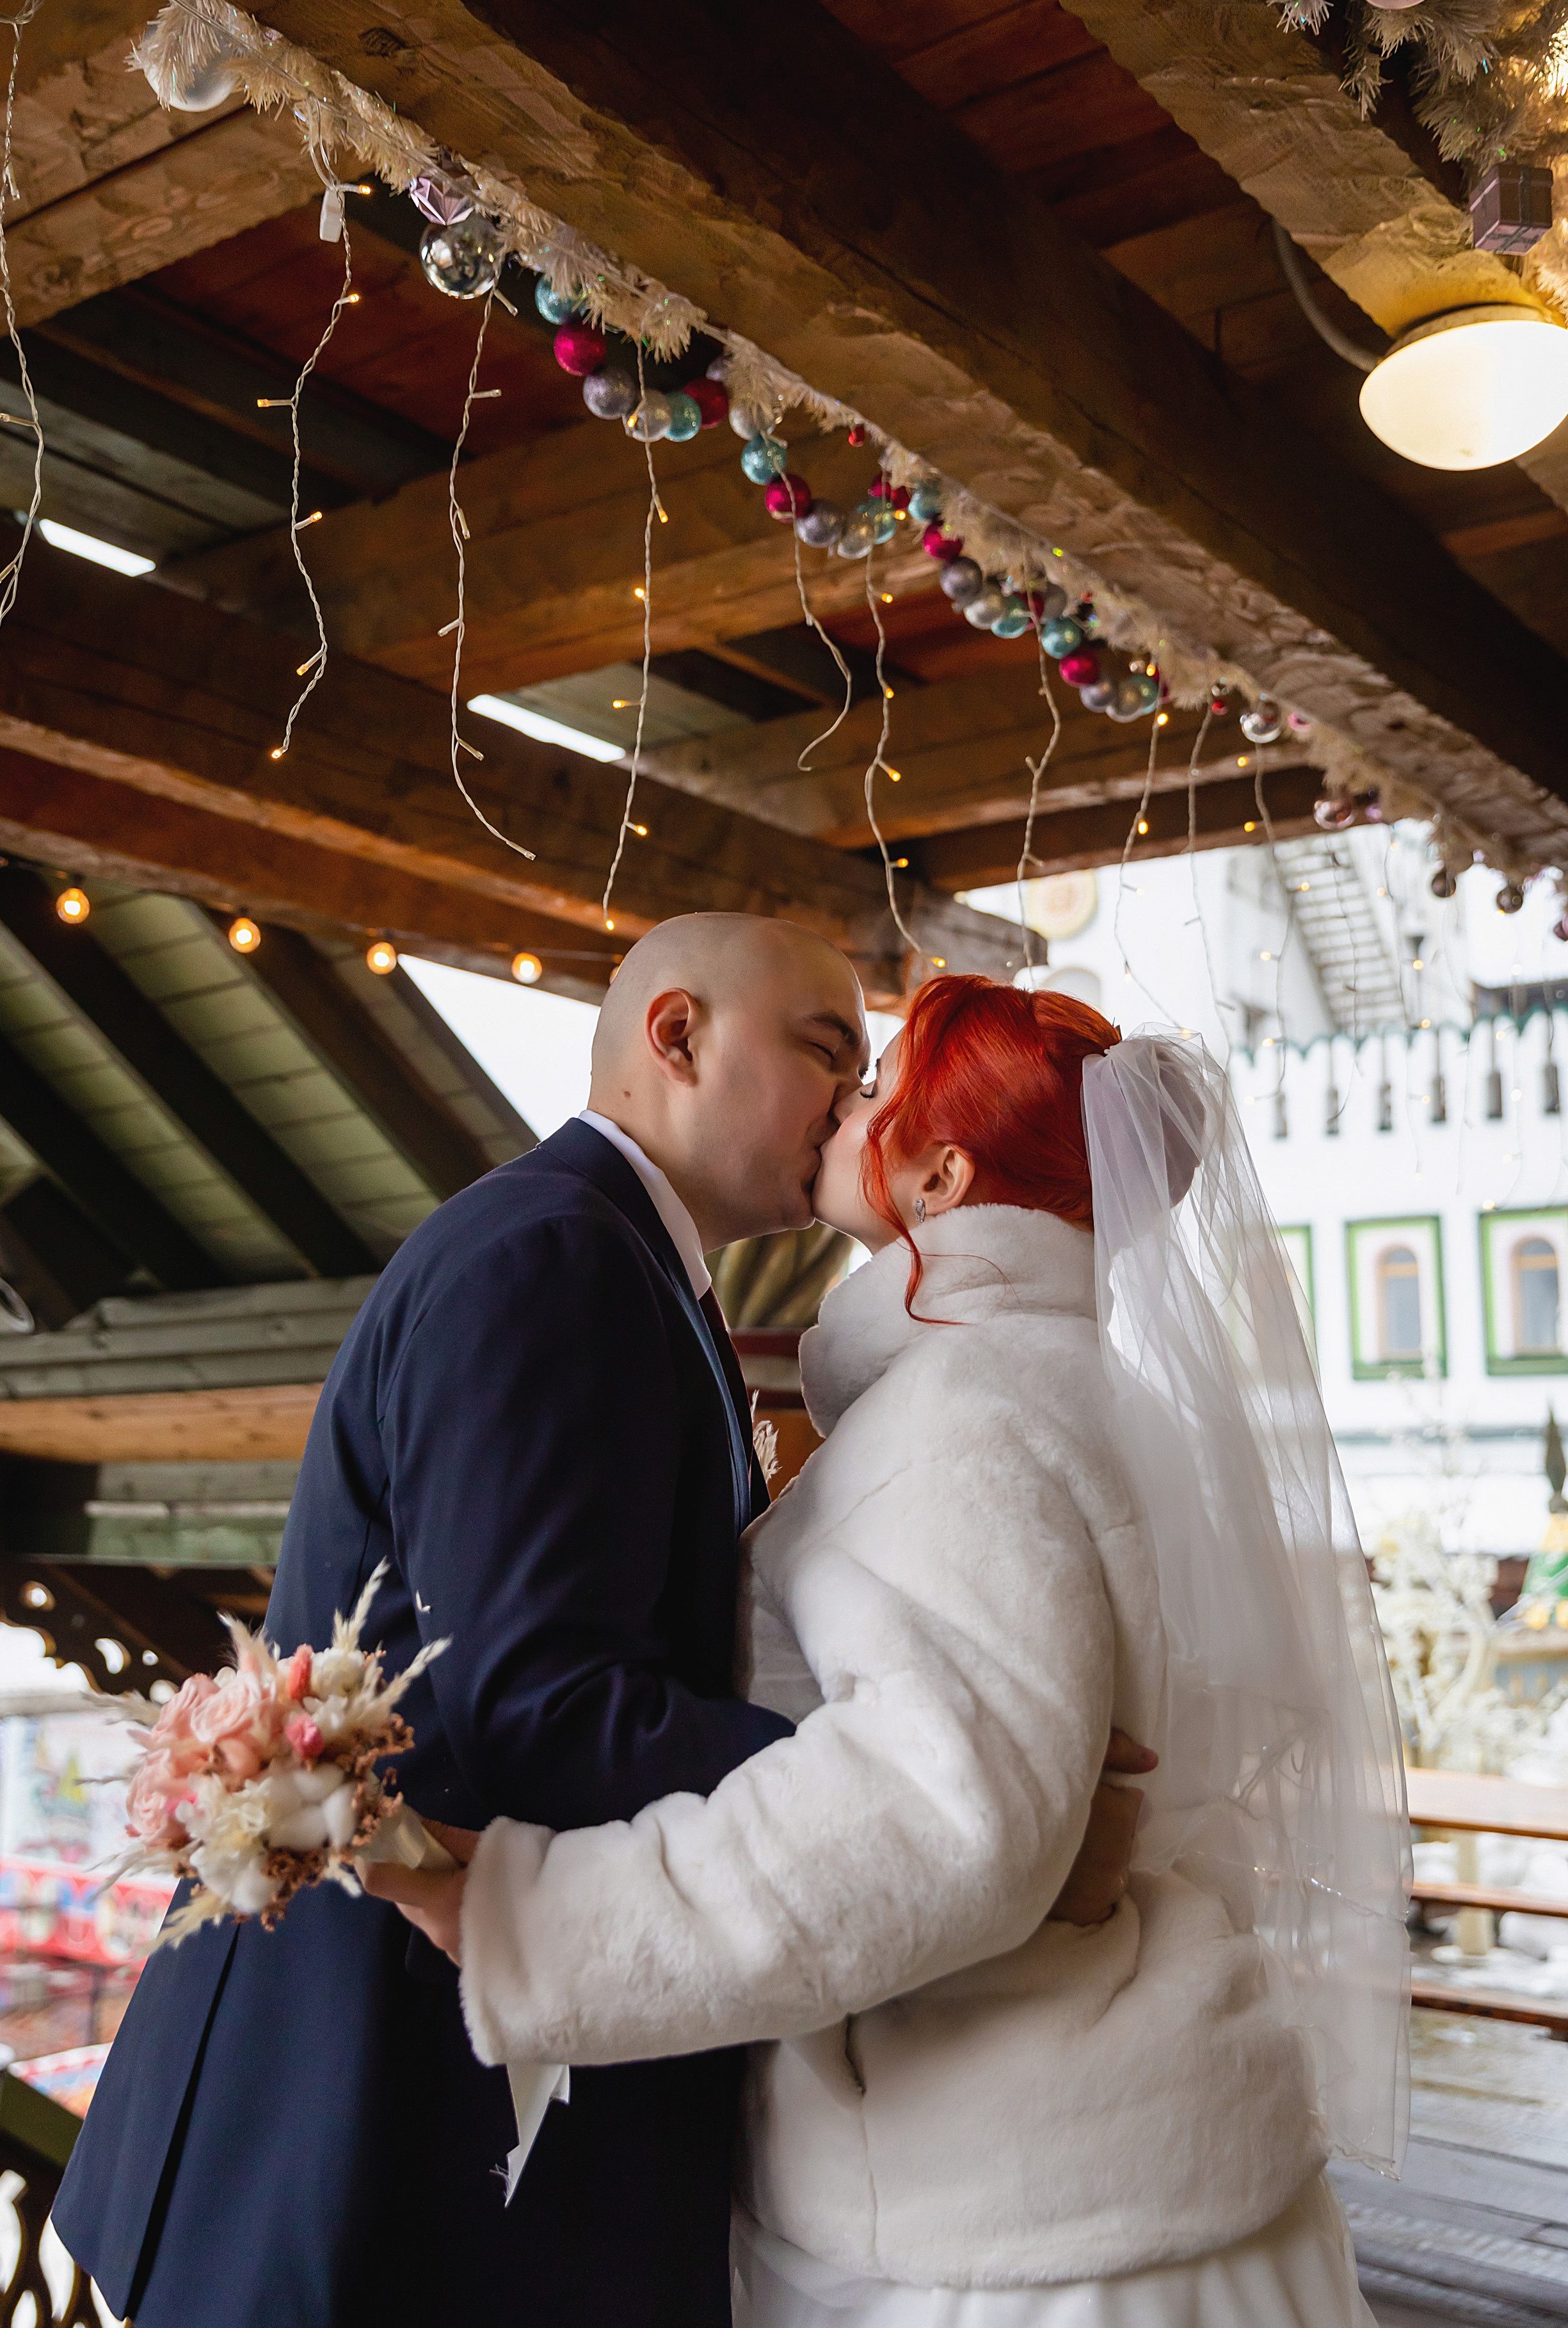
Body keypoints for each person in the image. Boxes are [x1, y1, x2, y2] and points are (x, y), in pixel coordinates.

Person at [52, 919, 1145, 2328]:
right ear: (676, 1036)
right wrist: (932, 1802)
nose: (849, 1098)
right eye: (826, 1048)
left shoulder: (618, 1256)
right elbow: (540, 1706)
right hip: (375, 2086)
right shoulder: (555, 1254)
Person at [374, 975, 1410, 2327]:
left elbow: (934, 1815)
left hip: (1004, 2212)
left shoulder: (962, 1416)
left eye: (872, 1088)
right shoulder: (1094, 1399)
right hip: (1122, 2149)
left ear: (938, 1169)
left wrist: (536, 1920)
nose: (836, 1107)